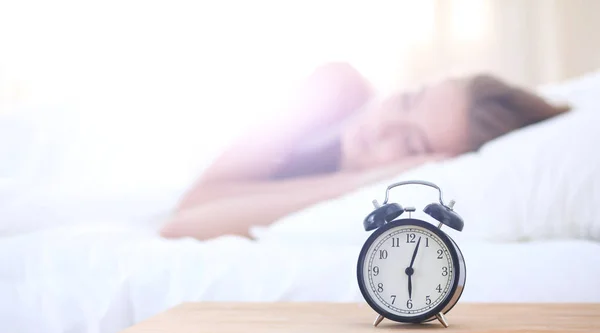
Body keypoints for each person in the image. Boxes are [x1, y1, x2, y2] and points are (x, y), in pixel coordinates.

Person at [160, 62, 571, 241]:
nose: (384, 127)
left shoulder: (369, 195)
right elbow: (189, 211)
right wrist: (357, 179)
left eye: (410, 144)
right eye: (409, 99)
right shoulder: (335, 89)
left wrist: (363, 183)